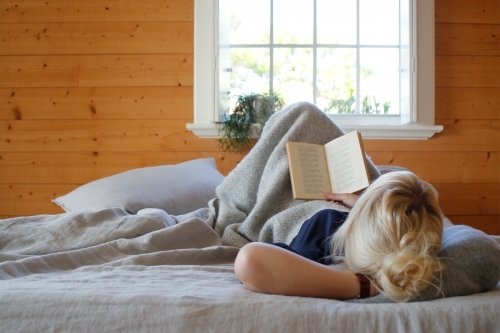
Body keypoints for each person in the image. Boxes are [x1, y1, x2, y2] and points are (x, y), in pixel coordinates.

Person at [234, 170, 444, 302]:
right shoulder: (421, 243)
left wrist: (364, 287)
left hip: (309, 210)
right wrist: (362, 205)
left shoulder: (324, 226)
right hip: (369, 213)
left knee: (302, 113)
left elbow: (251, 261)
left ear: (352, 228)